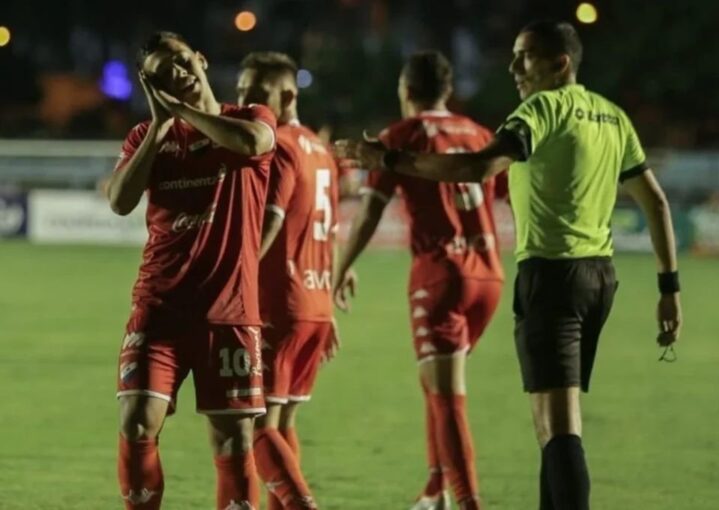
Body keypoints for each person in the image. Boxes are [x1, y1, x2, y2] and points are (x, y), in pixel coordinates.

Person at [335, 21, 682, 510]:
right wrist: (669, 289)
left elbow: (477, 168)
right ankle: (439, 489)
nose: (514, 66)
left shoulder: (539, 109)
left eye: (526, 56)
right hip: (597, 278)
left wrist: (388, 159)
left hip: (548, 276)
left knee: (557, 426)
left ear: (560, 63)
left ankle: (464, 497)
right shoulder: (612, 116)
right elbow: (657, 203)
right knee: (551, 424)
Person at [108, 31, 277, 510]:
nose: (178, 73)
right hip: (159, 308)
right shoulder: (145, 137)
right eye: (163, 74)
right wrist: (161, 126)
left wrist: (182, 111)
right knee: (136, 420)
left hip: (230, 312)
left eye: (182, 61)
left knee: (233, 439)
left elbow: (253, 143)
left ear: (201, 58)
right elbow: (120, 201)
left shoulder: (250, 117)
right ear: (152, 87)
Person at [334, 51, 505, 510]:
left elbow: (369, 210)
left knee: (447, 395)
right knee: (436, 383)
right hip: (489, 275)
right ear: (447, 90)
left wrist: (341, 265)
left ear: (406, 90)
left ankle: (467, 502)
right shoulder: (479, 133)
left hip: (441, 275)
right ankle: (434, 490)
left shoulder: (401, 136)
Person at [236, 51, 342, 510]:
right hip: (314, 303)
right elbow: (328, 231)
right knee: (283, 425)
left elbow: (270, 221)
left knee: (257, 429)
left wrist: (233, 278)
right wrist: (328, 305)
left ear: (289, 96)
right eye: (241, 92)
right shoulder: (320, 148)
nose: (246, 103)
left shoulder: (277, 144)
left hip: (279, 301)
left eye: (258, 94)